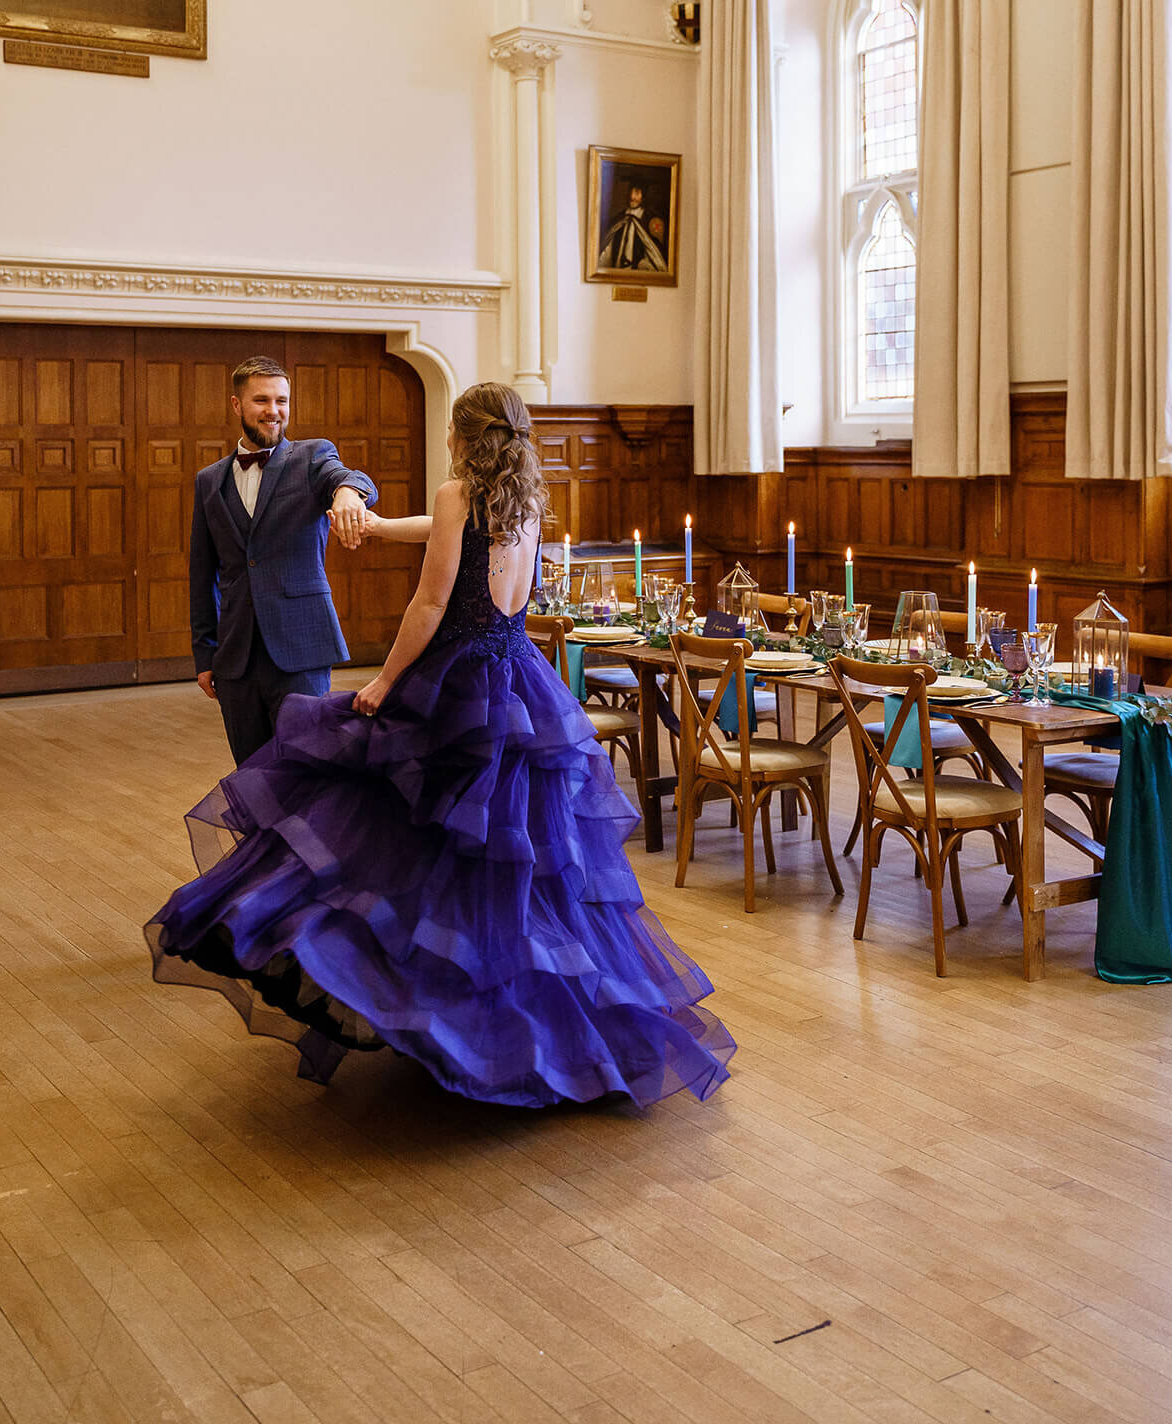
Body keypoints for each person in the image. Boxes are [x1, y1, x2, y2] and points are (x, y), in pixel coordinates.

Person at [147, 381, 734, 1107]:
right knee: (519, 863)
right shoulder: (525, 501)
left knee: (411, 836)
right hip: (520, 681)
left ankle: (445, 1017)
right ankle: (526, 1025)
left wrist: (384, 683)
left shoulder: (458, 493)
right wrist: (381, 526)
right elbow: (451, 534)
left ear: (461, 438)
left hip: (456, 684)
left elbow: (431, 601)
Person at [189, 355, 377, 764]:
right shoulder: (208, 481)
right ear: (237, 405)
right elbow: (202, 575)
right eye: (261, 400)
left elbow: (348, 476)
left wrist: (347, 492)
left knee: (306, 771)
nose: (273, 411)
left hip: (302, 650)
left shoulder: (312, 457)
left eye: (282, 401)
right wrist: (206, 654)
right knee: (250, 774)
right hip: (236, 660)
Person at [598, 184, 667, 270]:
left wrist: (642, 264)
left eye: (637, 193)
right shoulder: (619, 218)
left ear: (643, 196)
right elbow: (607, 250)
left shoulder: (650, 220)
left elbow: (654, 254)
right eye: (630, 192)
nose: (632, 197)